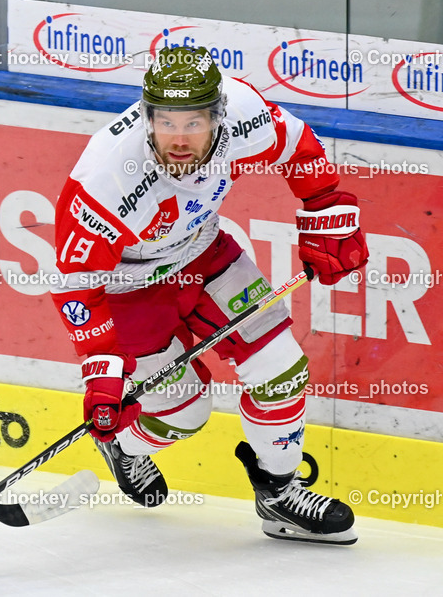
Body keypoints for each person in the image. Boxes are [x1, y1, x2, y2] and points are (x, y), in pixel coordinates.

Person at [51, 46, 367, 545]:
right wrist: (102, 374)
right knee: (185, 411)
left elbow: (298, 148)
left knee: (282, 369)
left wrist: (324, 207)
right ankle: (126, 448)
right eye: (166, 122)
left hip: (206, 254)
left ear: (218, 114)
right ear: (145, 115)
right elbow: (76, 287)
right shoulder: (105, 180)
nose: (179, 139)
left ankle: (279, 495)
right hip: (127, 291)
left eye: (194, 123)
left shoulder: (244, 113)